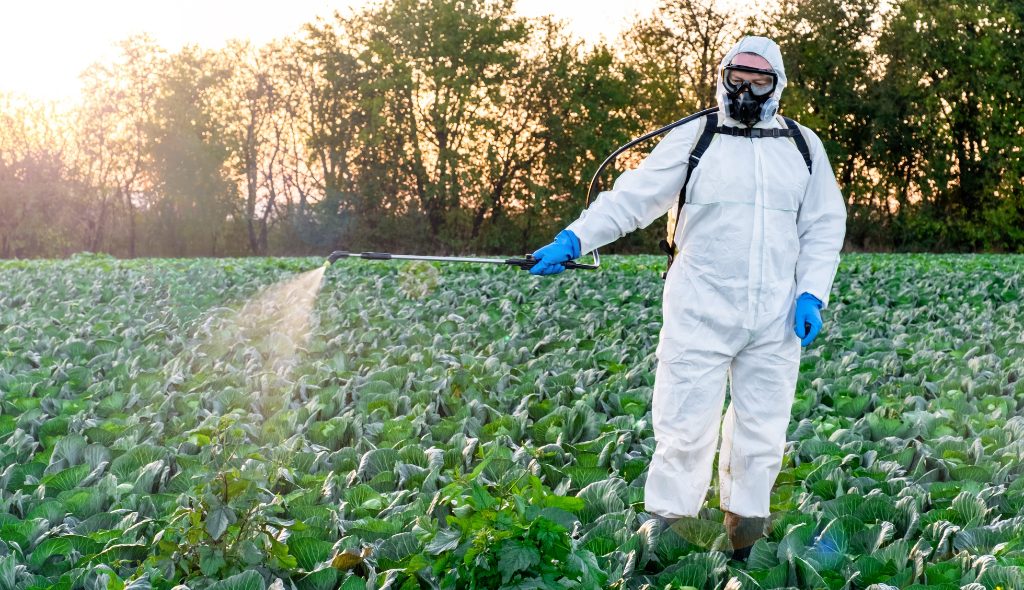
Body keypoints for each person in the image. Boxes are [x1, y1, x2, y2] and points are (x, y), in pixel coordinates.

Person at [529, 36, 846, 560]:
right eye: (737, 77)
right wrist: (574, 239)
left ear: (777, 85)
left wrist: (812, 292)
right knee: (684, 430)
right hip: (699, 307)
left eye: (759, 80)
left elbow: (823, 226)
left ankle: (747, 541)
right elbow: (634, 198)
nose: (746, 89)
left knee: (762, 431)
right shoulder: (695, 137)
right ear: (722, 77)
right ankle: (667, 545)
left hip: (775, 315)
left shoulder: (802, 145)